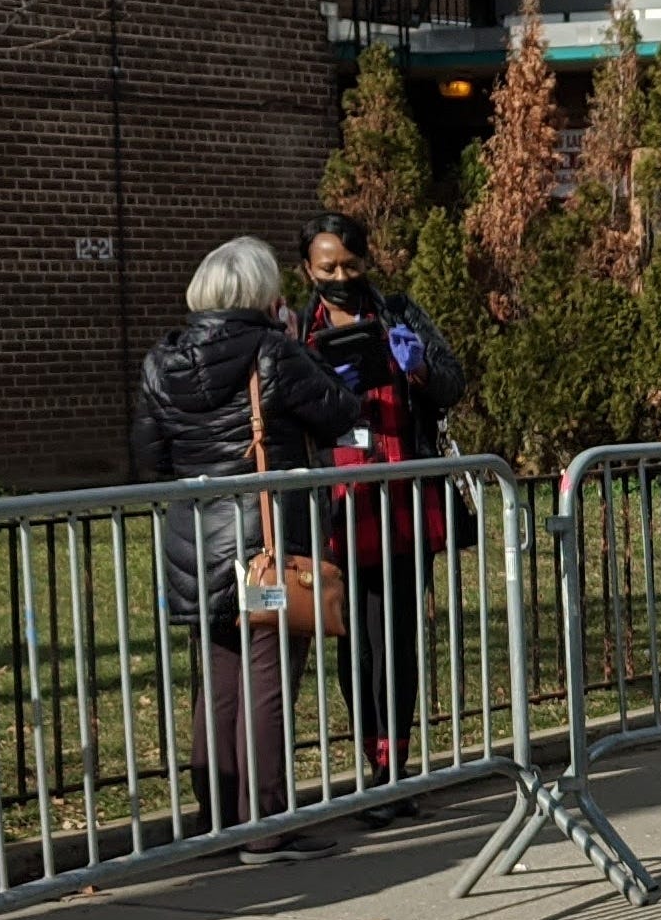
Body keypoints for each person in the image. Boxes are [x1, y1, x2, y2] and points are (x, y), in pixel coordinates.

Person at [135, 236, 370, 867]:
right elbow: (340, 412)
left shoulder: (162, 360)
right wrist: (295, 344)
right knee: (267, 676)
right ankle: (266, 821)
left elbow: (149, 457)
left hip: (194, 538)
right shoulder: (274, 351)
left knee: (218, 680)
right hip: (265, 539)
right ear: (265, 296)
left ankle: (217, 817)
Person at [293, 215, 465, 816]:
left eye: (350, 264)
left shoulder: (399, 312)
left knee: (395, 636)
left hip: (403, 498)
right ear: (307, 271)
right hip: (340, 502)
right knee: (355, 642)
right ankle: (372, 760)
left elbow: (452, 383)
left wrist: (416, 367)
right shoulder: (295, 328)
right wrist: (321, 386)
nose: (341, 277)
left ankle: (398, 764)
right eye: (327, 268)